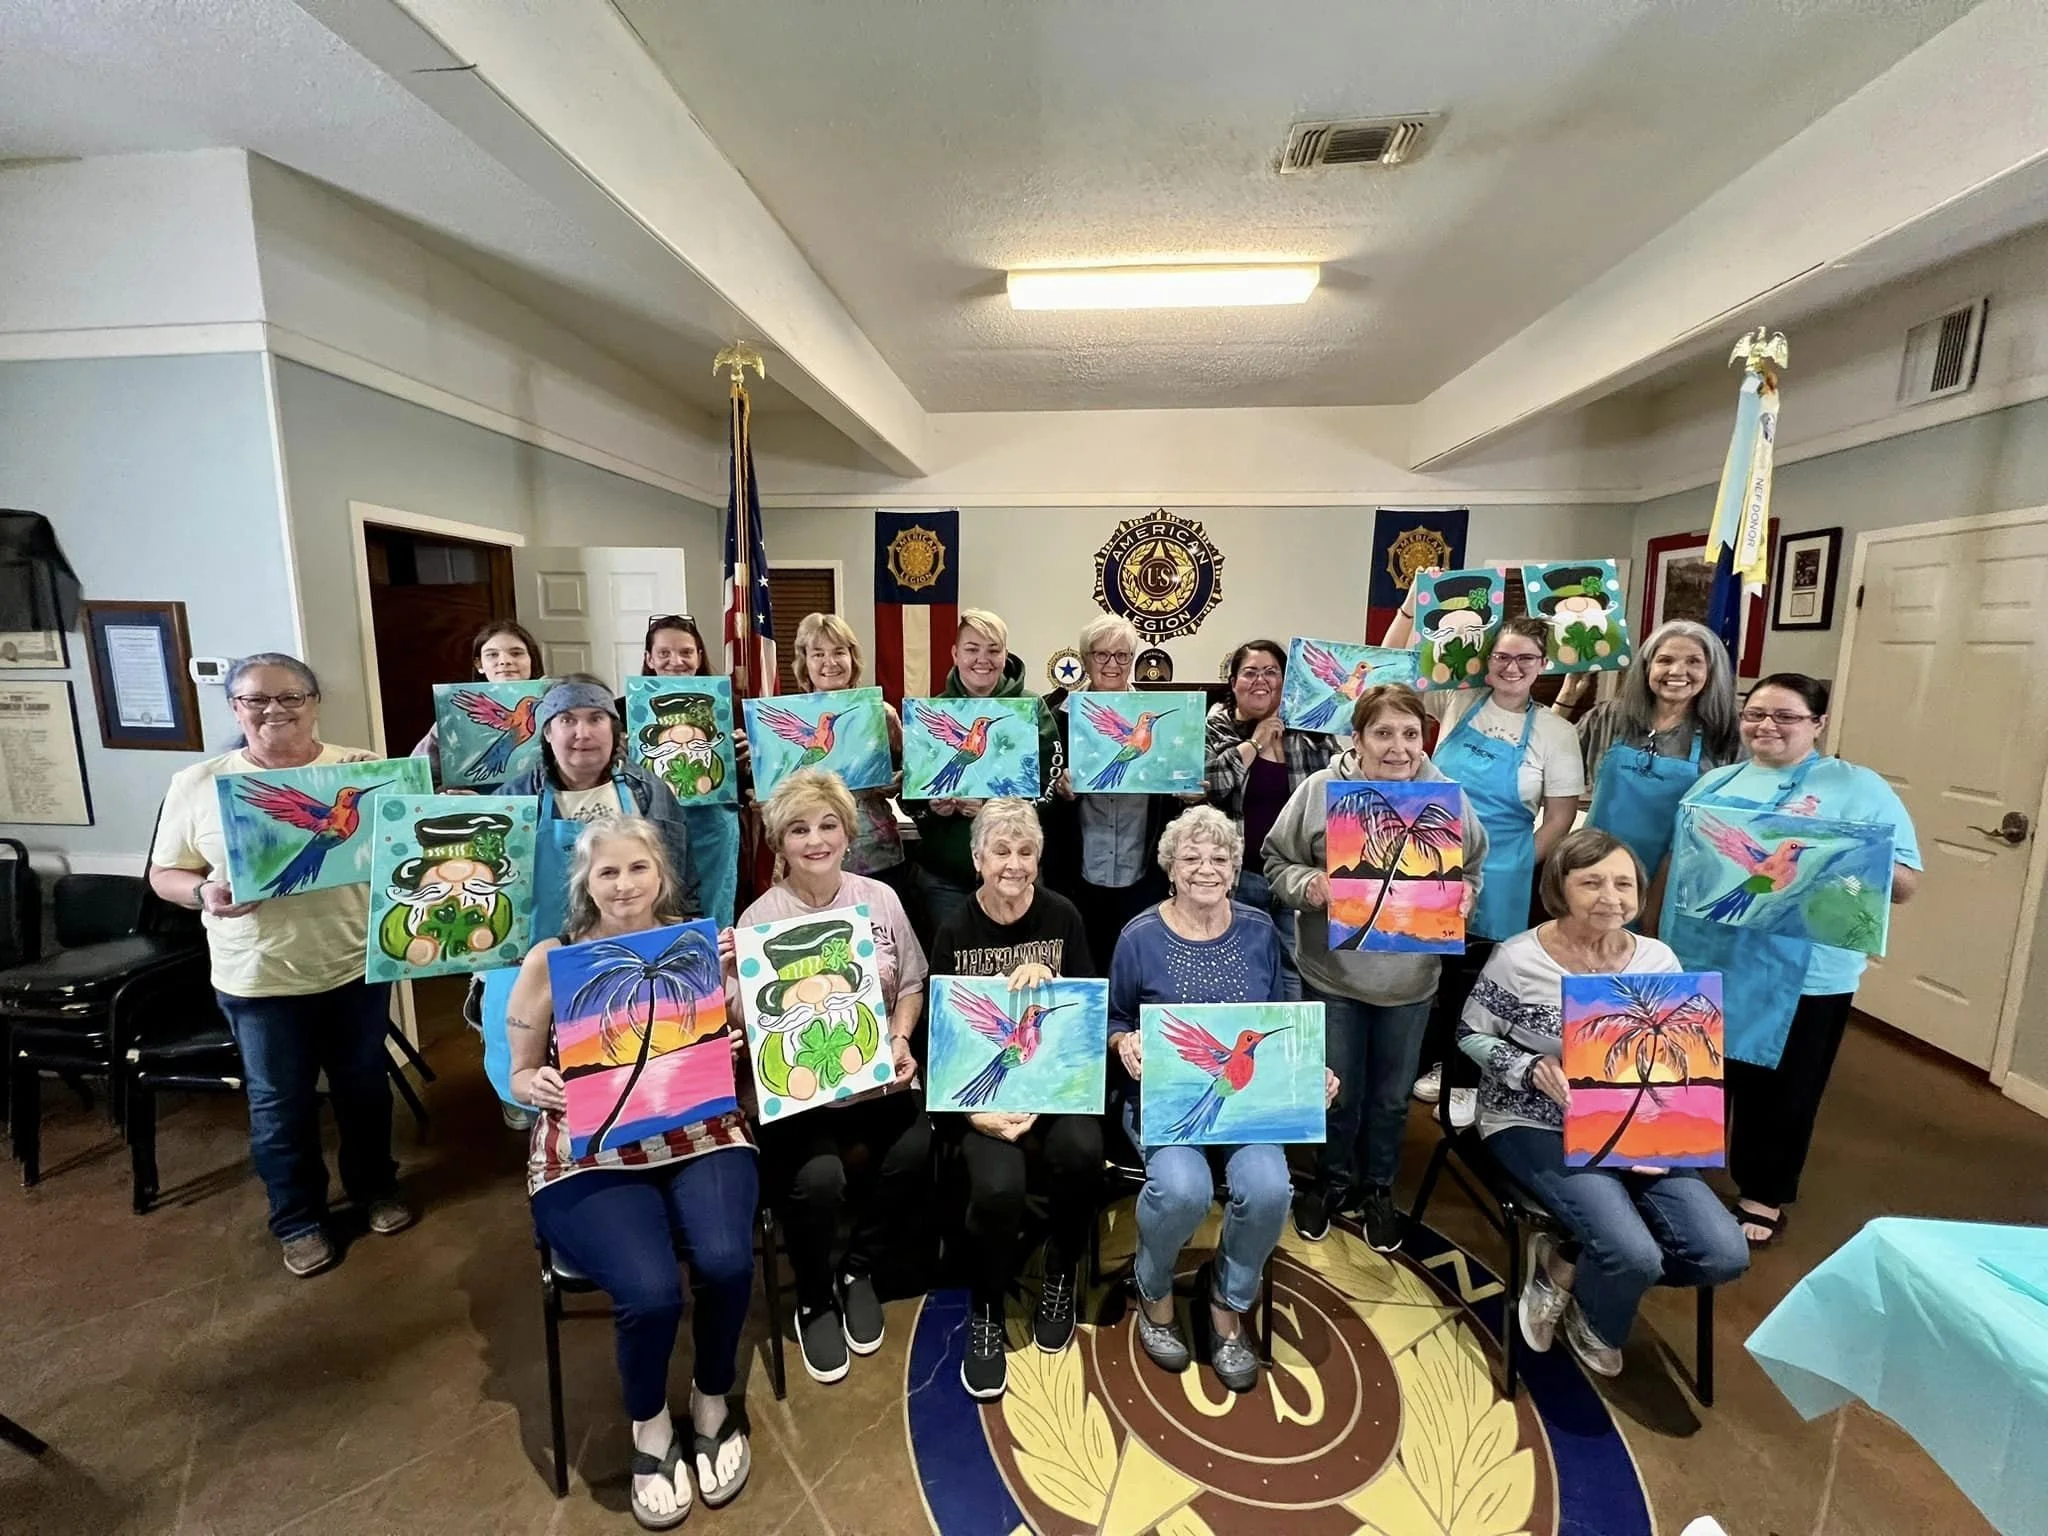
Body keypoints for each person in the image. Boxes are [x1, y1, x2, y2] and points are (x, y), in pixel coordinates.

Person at [506, 818, 755, 1525]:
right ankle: (649, 1425)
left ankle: (711, 1398)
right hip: (590, 1149)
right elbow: (519, 1074)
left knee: (728, 1260)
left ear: (661, 875)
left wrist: (734, 1006)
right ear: (585, 883)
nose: (624, 885)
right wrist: (536, 1083)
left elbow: (738, 1039)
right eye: (608, 872)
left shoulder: (696, 945)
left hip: (698, 1132)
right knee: (649, 1293)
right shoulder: (552, 960)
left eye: (638, 868)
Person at [149, 653, 412, 1277]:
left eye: (291, 697)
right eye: (256, 699)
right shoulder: (199, 783)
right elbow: (163, 873)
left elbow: (410, 840)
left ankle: (375, 1188)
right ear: (235, 708)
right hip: (258, 974)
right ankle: (297, 1218)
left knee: (364, 1088)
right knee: (279, 1104)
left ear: (314, 703)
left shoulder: (360, 767)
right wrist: (203, 893)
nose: (274, 710)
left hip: (353, 962)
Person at [1459, 829, 1750, 1377]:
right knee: (1631, 1253)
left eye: (1623, 884)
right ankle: (1599, 1318)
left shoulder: (1659, 960)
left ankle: (1568, 1263)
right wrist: (1528, 1067)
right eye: (1591, 883)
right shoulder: (1519, 958)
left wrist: (1672, 1136)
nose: (1610, 897)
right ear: (1560, 888)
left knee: (1723, 1252)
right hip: (1535, 1120)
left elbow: (1681, 1058)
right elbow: (1470, 1034)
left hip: (1642, 1126)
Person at [1663, 674, 1920, 1247]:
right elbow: (1682, 870)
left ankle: (1763, 1193)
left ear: (1818, 724)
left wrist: (1839, 859)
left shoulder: (1859, 787)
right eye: (1755, 714)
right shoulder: (1715, 782)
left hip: (1806, 971)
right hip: (1712, 956)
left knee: (1784, 1090)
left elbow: (1906, 884)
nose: (1767, 726)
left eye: (1786, 716)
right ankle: (1676, 1175)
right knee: (1699, 1071)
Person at [1109, 806, 1337, 1392]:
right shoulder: (1139, 936)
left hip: (1250, 1106)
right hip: (1167, 1102)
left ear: (1236, 870)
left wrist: (1310, 1069)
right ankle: (1153, 1286)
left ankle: (1228, 1299)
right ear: (1170, 868)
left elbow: (1284, 1012)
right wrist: (1123, 1042)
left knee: (1269, 1189)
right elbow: (1113, 1017)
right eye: (1191, 857)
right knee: (1182, 1189)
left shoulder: (1260, 930)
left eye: (1219, 858)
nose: (1205, 869)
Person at [1263, 683, 1488, 1250]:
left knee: (1390, 1099)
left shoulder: (1446, 798)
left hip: (1409, 983)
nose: (1398, 747)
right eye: (1383, 733)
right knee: (1337, 1090)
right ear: (1357, 738)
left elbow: (1473, 867)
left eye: (1410, 734)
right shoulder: (1320, 790)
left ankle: (1378, 1187)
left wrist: (1466, 894)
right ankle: (1332, 1180)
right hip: (1332, 975)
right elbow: (1275, 860)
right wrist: (1309, 885)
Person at [733, 769, 931, 1385]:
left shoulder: (881, 899)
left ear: (848, 834)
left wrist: (899, 1037)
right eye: (799, 830)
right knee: (818, 1179)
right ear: (779, 842)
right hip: (800, 1091)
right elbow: (749, 1023)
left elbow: (912, 982)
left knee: (916, 1146)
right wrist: (731, 989)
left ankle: (859, 1267)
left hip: (875, 1077)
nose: (815, 840)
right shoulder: (758, 921)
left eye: (827, 826)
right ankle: (815, 1294)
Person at [1387, 601, 1585, 1118]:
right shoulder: (1458, 698)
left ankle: (1462, 1079)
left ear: (1543, 664)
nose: (1512, 668)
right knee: (1420, 969)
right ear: (1486, 659)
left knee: (1476, 980)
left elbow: (1560, 817)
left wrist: (1516, 863)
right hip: (1425, 859)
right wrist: (1411, 606)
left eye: (1525, 658)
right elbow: (1387, 666)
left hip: (1501, 871)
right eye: (1502, 656)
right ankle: (1418, 1062)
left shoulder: (1556, 733)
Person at [928, 799, 1099, 1399]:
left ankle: (1060, 1270)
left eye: (1026, 851)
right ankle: (986, 1306)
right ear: (977, 859)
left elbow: (1086, 1017)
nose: (1014, 864)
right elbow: (940, 1038)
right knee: (999, 1186)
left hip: (1055, 1089)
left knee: (1083, 1151)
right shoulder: (955, 929)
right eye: (1000, 851)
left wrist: (1055, 989)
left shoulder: (1062, 917)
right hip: (984, 1100)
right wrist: (974, 1115)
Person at [499, 676, 705, 934]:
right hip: (541, 950)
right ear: (548, 732)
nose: (583, 733)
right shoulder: (513, 801)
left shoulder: (650, 792)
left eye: (596, 719)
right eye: (567, 720)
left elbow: (682, 886)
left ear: (613, 730)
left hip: (636, 949)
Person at [905, 609, 1060, 936]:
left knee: (1020, 958)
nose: (982, 659)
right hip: (945, 878)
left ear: (1005, 654)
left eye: (993, 650)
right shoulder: (931, 711)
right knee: (953, 960)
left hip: (1016, 875)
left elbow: (1050, 787)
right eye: (972, 649)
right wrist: (931, 807)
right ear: (955, 654)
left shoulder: (1031, 708)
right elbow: (912, 797)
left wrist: (993, 809)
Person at [1204, 638, 1336, 1002]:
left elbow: (1339, 788)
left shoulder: (1311, 731)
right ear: (1234, 682)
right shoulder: (1215, 727)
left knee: (1296, 967)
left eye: (1271, 672)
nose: (1260, 680)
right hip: (1240, 877)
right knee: (1241, 969)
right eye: (1249, 673)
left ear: (1285, 681)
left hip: (1297, 874)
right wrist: (1255, 742)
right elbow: (1213, 783)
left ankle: (1290, 1036)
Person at [1043, 615, 1179, 969]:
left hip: (1143, 871)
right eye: (1101, 654)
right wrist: (1059, 790)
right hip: (1077, 873)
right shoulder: (1058, 717)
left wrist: (1185, 790)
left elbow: (1172, 795)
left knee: (1137, 967)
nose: (1112, 664)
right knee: (1083, 963)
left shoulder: (1160, 720)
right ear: (1085, 660)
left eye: (1122, 655)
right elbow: (1038, 793)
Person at [1566, 620, 1741, 885]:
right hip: (1595, 869)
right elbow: (1543, 761)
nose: (1677, 671)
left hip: (1677, 878)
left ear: (1711, 671)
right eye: (1665, 660)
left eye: (1694, 661)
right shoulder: (1608, 718)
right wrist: (1566, 698)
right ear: (1647, 667)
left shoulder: (1726, 735)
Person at [791, 612, 909, 890]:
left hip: (878, 856)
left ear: (852, 658)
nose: (829, 662)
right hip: (812, 858)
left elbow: (911, 779)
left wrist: (900, 782)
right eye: (818, 654)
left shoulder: (882, 715)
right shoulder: (790, 719)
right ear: (805, 662)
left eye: (838, 652)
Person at [410, 618, 544, 790]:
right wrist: (452, 796)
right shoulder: (453, 717)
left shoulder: (558, 709)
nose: (504, 661)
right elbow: (416, 774)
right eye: (492, 654)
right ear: (479, 664)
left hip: (542, 801)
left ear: (532, 659)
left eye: (516, 653)